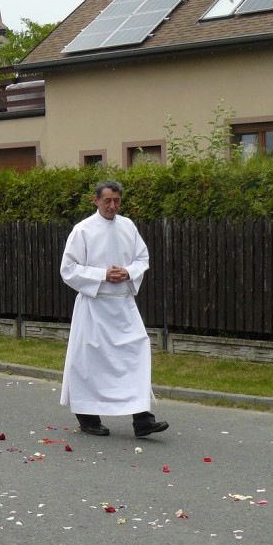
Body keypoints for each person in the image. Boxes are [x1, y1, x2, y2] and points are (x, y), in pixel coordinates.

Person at [59, 180, 169, 438]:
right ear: (95, 200)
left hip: (122, 306)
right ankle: (87, 418)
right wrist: (102, 275)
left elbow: (142, 258)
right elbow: (68, 269)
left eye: (117, 201)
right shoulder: (82, 230)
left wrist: (128, 271)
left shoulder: (128, 226)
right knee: (89, 363)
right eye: (107, 200)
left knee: (136, 356)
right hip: (94, 307)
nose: (112, 206)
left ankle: (143, 420)